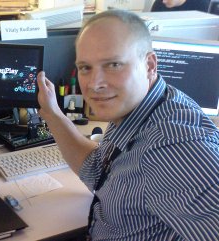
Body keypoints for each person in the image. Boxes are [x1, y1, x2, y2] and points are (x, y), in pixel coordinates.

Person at [37, 10, 219, 240]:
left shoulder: (173, 147)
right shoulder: (141, 106)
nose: (95, 84)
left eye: (113, 64)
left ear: (150, 65)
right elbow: (97, 170)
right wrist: (53, 114)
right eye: (85, 67)